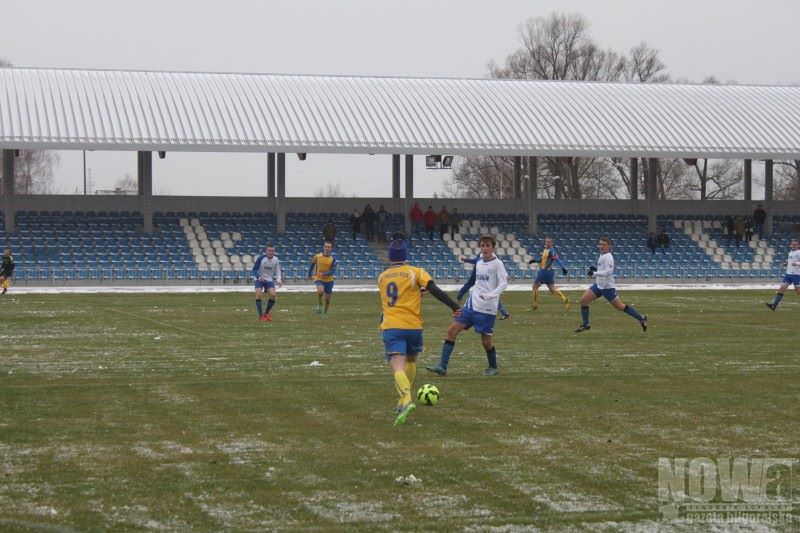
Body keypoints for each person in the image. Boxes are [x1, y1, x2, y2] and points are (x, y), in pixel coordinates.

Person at [378, 237, 461, 425]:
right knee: (411, 361)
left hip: (392, 325)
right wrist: (454, 306)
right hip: (413, 326)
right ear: (406, 255)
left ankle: (406, 399)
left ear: (390, 257)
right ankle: (402, 401)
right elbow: (434, 289)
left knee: (397, 365)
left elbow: (393, 296)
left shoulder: (382, 277)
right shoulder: (416, 272)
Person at [427, 235, 508, 377]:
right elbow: (473, 281)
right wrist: (463, 293)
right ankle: (442, 366)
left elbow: (503, 284)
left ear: (493, 247)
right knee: (452, 330)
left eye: (487, 245)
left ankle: (493, 367)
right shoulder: (479, 263)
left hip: (487, 308)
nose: (485, 248)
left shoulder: (498, 264)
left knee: (486, 342)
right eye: (482, 245)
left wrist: (490, 295)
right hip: (471, 304)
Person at [575, 237, 647, 333]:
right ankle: (585, 324)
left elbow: (609, 271)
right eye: (600, 244)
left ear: (608, 246)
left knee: (620, 307)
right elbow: (603, 270)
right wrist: (596, 270)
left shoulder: (608, 257)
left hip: (607, 288)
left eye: (604, 244)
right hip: (599, 285)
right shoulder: (602, 255)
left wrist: (594, 273)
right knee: (584, 300)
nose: (601, 246)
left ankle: (641, 318)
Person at [456, 253, 510, 319]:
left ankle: (460, 299)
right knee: (490, 295)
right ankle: (504, 312)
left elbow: (475, 260)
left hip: (480, 276)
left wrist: (465, 260)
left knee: (487, 294)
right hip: (481, 276)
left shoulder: (488, 258)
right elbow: (476, 260)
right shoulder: (491, 256)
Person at [527, 237, 569, 312]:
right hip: (549, 272)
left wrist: (563, 268)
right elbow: (542, 259)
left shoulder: (552, 251)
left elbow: (557, 259)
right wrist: (534, 260)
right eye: (546, 241)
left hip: (544, 271)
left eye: (549, 242)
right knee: (552, 289)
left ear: (551, 243)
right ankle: (564, 298)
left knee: (535, 287)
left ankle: (535, 305)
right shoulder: (545, 250)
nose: (547, 243)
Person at [766, 238, 800, 311]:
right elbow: (791, 261)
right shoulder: (791, 252)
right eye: (793, 244)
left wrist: (797, 263)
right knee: (781, 289)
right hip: (788, 274)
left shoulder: (798, 252)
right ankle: (773, 305)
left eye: (795, 244)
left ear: (798, 245)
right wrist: (787, 263)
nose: (794, 246)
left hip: (796, 275)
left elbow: (797, 262)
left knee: (798, 291)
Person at [252, 245, 282, 322]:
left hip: (269, 279)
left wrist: (279, 280)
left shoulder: (276, 260)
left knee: (273, 295)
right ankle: (261, 316)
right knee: (259, 294)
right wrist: (258, 277)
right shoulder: (261, 258)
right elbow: (254, 270)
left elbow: (278, 270)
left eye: (272, 251)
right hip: (259, 278)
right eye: (269, 250)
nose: (271, 252)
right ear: (266, 251)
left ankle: (266, 313)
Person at [308, 241, 337, 316]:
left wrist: (324, 274)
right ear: (323, 247)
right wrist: (309, 274)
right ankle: (320, 304)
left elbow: (332, 271)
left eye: (329, 247)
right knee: (320, 291)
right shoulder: (317, 256)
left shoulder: (333, 259)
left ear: (331, 248)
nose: (327, 248)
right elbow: (312, 265)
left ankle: (324, 312)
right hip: (319, 278)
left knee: (327, 301)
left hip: (329, 280)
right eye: (326, 246)